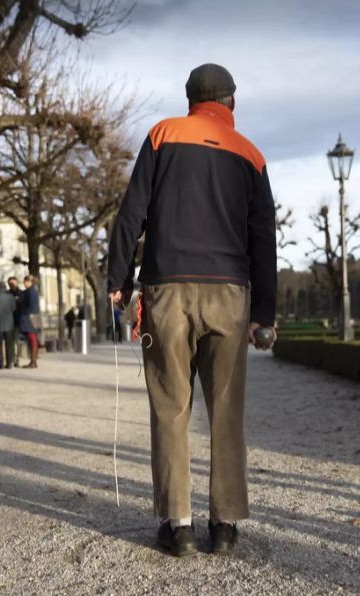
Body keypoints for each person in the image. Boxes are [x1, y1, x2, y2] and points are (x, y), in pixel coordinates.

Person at [107, 64, 277, 557]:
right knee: (226, 412)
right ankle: (223, 525)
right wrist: (262, 312)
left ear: (189, 100)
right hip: (229, 292)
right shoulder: (252, 155)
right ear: (231, 103)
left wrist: (119, 279)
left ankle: (178, 526)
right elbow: (263, 238)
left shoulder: (162, 135)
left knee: (170, 406)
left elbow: (132, 210)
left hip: (168, 289)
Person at [0, 282, 17, 369]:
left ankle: (0, 363)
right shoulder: (10, 296)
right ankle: (9, 363)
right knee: (9, 344)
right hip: (9, 323)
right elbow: (14, 308)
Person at [19, 275, 41, 369]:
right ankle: (33, 360)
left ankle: (33, 361)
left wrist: (23, 312)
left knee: (32, 339)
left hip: (30, 317)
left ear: (30, 282)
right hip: (34, 317)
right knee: (33, 338)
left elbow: (30, 305)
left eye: (25, 282)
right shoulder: (33, 290)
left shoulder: (30, 292)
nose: (24, 283)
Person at [8, 277, 23, 367]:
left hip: (17, 321)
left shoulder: (21, 294)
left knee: (17, 341)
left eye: (13, 283)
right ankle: (12, 358)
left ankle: (17, 358)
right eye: (10, 283)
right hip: (9, 321)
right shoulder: (7, 294)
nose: (12, 285)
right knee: (11, 341)